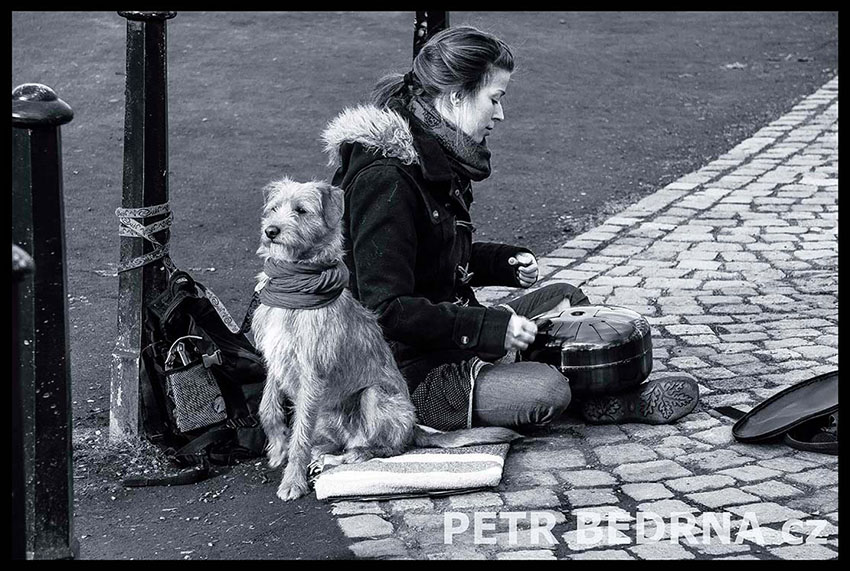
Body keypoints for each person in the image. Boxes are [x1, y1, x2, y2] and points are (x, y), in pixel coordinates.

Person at [321, 25, 697, 431]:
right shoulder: (387, 178)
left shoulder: (437, 154)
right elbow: (385, 311)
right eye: (495, 99)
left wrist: (501, 263)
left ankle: (585, 389)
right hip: (401, 374)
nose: (500, 115)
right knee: (545, 392)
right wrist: (490, 328)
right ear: (456, 96)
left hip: (449, 337)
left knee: (567, 299)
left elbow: (433, 257)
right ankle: (593, 395)